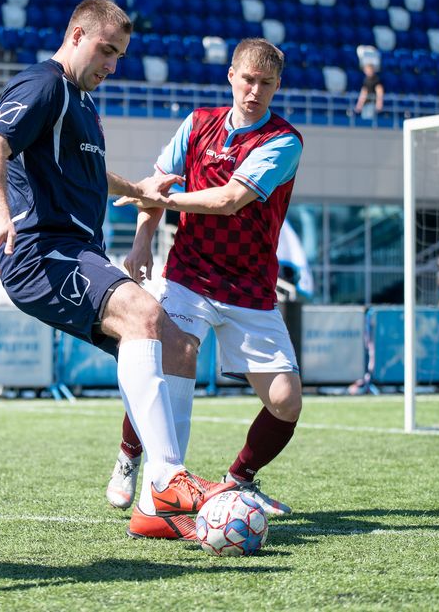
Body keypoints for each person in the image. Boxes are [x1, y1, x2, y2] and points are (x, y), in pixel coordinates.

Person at [0, 0, 233, 541]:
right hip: (41, 253)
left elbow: (88, 170)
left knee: (180, 344)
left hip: (78, 252)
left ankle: (153, 508)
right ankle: (166, 479)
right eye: (106, 50)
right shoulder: (44, 84)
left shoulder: (83, 103)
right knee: (142, 313)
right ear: (76, 34)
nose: (112, 64)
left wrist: (138, 189)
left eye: (120, 55)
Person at [104, 38, 305, 538]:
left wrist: (162, 204)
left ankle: (238, 481)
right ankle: (135, 457)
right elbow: (159, 185)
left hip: (250, 288)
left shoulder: (284, 141)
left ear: (277, 86)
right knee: (172, 356)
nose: (254, 90)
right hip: (190, 277)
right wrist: (143, 241)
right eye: (247, 79)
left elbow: (231, 200)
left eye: (265, 83)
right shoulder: (196, 124)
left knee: (286, 402)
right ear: (231, 76)